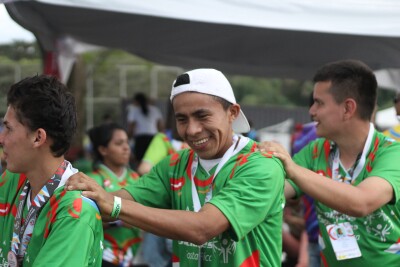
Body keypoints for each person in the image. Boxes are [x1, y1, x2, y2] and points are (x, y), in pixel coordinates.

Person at [67, 68, 286, 266]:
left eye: (202, 116)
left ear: (233, 113)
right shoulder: (175, 164)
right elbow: (121, 200)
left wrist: (112, 204)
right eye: (182, 119)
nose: (192, 130)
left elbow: (203, 228)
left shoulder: (261, 164)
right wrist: (82, 197)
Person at [261, 59, 400, 267]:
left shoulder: (392, 153)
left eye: (319, 103)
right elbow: (274, 188)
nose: (312, 111)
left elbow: (361, 202)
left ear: (347, 108)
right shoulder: (315, 151)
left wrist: (293, 169)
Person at [0, 75, 103, 266]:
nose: (1, 138)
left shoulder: (75, 212)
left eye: (9, 129)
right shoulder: (13, 180)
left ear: (38, 137)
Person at [86, 123, 142, 267]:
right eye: (119, 143)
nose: (126, 148)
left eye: (127, 142)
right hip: (104, 256)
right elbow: (86, 218)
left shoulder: (136, 179)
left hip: (135, 255)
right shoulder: (92, 181)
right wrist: (121, 219)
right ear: (103, 149)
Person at [127, 92, 164, 165]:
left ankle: (140, 176)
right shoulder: (155, 109)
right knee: (153, 161)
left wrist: (128, 138)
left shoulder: (134, 110)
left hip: (140, 139)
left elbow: (131, 127)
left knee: (140, 162)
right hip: (153, 138)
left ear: (136, 101)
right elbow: (161, 126)